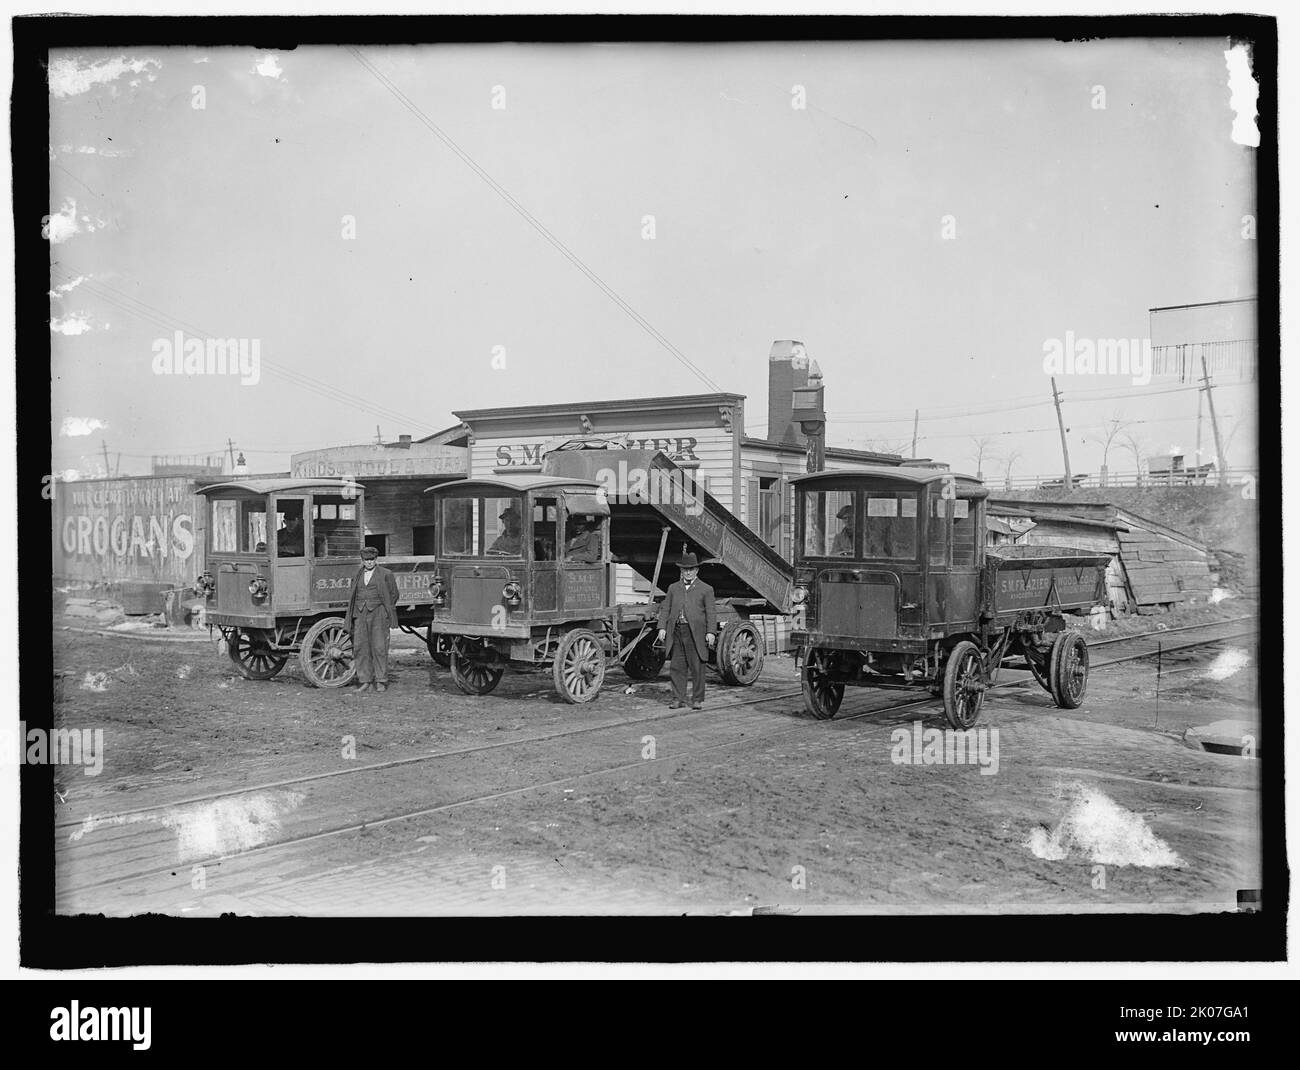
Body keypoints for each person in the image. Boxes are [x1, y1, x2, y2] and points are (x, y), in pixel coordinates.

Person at [656, 552, 718, 710]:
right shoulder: (673, 588)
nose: (688, 572)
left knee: (697, 667)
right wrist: (662, 627)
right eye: (685, 569)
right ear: (681, 571)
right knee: (677, 667)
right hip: (677, 631)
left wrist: (711, 632)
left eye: (691, 569)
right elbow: (665, 609)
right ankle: (678, 698)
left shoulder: (706, 589)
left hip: (695, 634)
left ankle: (697, 699)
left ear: (697, 570)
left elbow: (711, 613)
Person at [345, 546, 399, 692]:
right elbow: (353, 593)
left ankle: (381, 680)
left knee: (379, 647)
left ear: (376, 560)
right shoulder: (357, 574)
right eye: (366, 560)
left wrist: (384, 609)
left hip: (378, 613)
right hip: (360, 613)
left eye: (371, 560)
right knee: (360, 647)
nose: (369, 563)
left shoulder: (386, 574)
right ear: (362, 561)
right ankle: (365, 680)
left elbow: (394, 594)